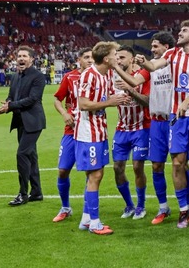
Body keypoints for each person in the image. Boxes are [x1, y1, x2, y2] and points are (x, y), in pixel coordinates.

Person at [135, 20, 189, 229]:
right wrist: (143, 62)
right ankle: (184, 210)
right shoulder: (172, 54)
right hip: (177, 118)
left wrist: (187, 102)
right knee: (178, 163)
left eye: (184, 30)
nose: (179, 33)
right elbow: (153, 66)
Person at [73, 41, 132, 235]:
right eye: (115, 54)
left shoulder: (105, 75)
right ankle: (95, 223)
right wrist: (110, 102)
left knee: (94, 175)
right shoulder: (89, 75)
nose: (117, 58)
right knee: (95, 175)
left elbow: (109, 95)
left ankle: (86, 219)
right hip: (88, 133)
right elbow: (83, 104)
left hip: (99, 131)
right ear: (107, 59)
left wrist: (121, 98)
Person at [0, 46, 47, 207]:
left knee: (22, 154)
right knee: (31, 156)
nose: (21, 58)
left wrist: (11, 106)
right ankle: (36, 192)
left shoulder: (38, 76)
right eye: (19, 56)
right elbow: (12, 96)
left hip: (33, 121)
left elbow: (33, 99)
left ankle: (23, 193)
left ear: (31, 59)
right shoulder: (16, 76)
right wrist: (7, 103)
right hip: (20, 121)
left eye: (25, 56)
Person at [50, 47, 92, 222]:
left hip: (90, 131)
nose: (90, 60)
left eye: (92, 57)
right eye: (86, 57)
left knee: (90, 173)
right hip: (70, 131)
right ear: (79, 60)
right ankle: (65, 207)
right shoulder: (69, 77)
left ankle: (88, 210)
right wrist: (64, 114)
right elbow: (57, 99)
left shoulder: (98, 77)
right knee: (62, 170)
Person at [112, 46, 151, 220]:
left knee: (137, 167)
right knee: (117, 168)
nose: (118, 60)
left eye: (122, 57)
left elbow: (147, 102)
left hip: (141, 129)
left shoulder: (141, 76)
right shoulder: (112, 77)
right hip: (121, 129)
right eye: (117, 57)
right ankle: (129, 205)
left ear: (132, 59)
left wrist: (130, 90)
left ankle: (141, 206)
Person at [146, 31, 175, 224]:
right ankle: (163, 207)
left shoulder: (176, 63)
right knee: (156, 165)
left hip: (173, 121)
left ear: (166, 47)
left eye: (156, 46)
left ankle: (186, 206)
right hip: (156, 122)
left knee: (180, 164)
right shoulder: (150, 66)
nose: (153, 49)